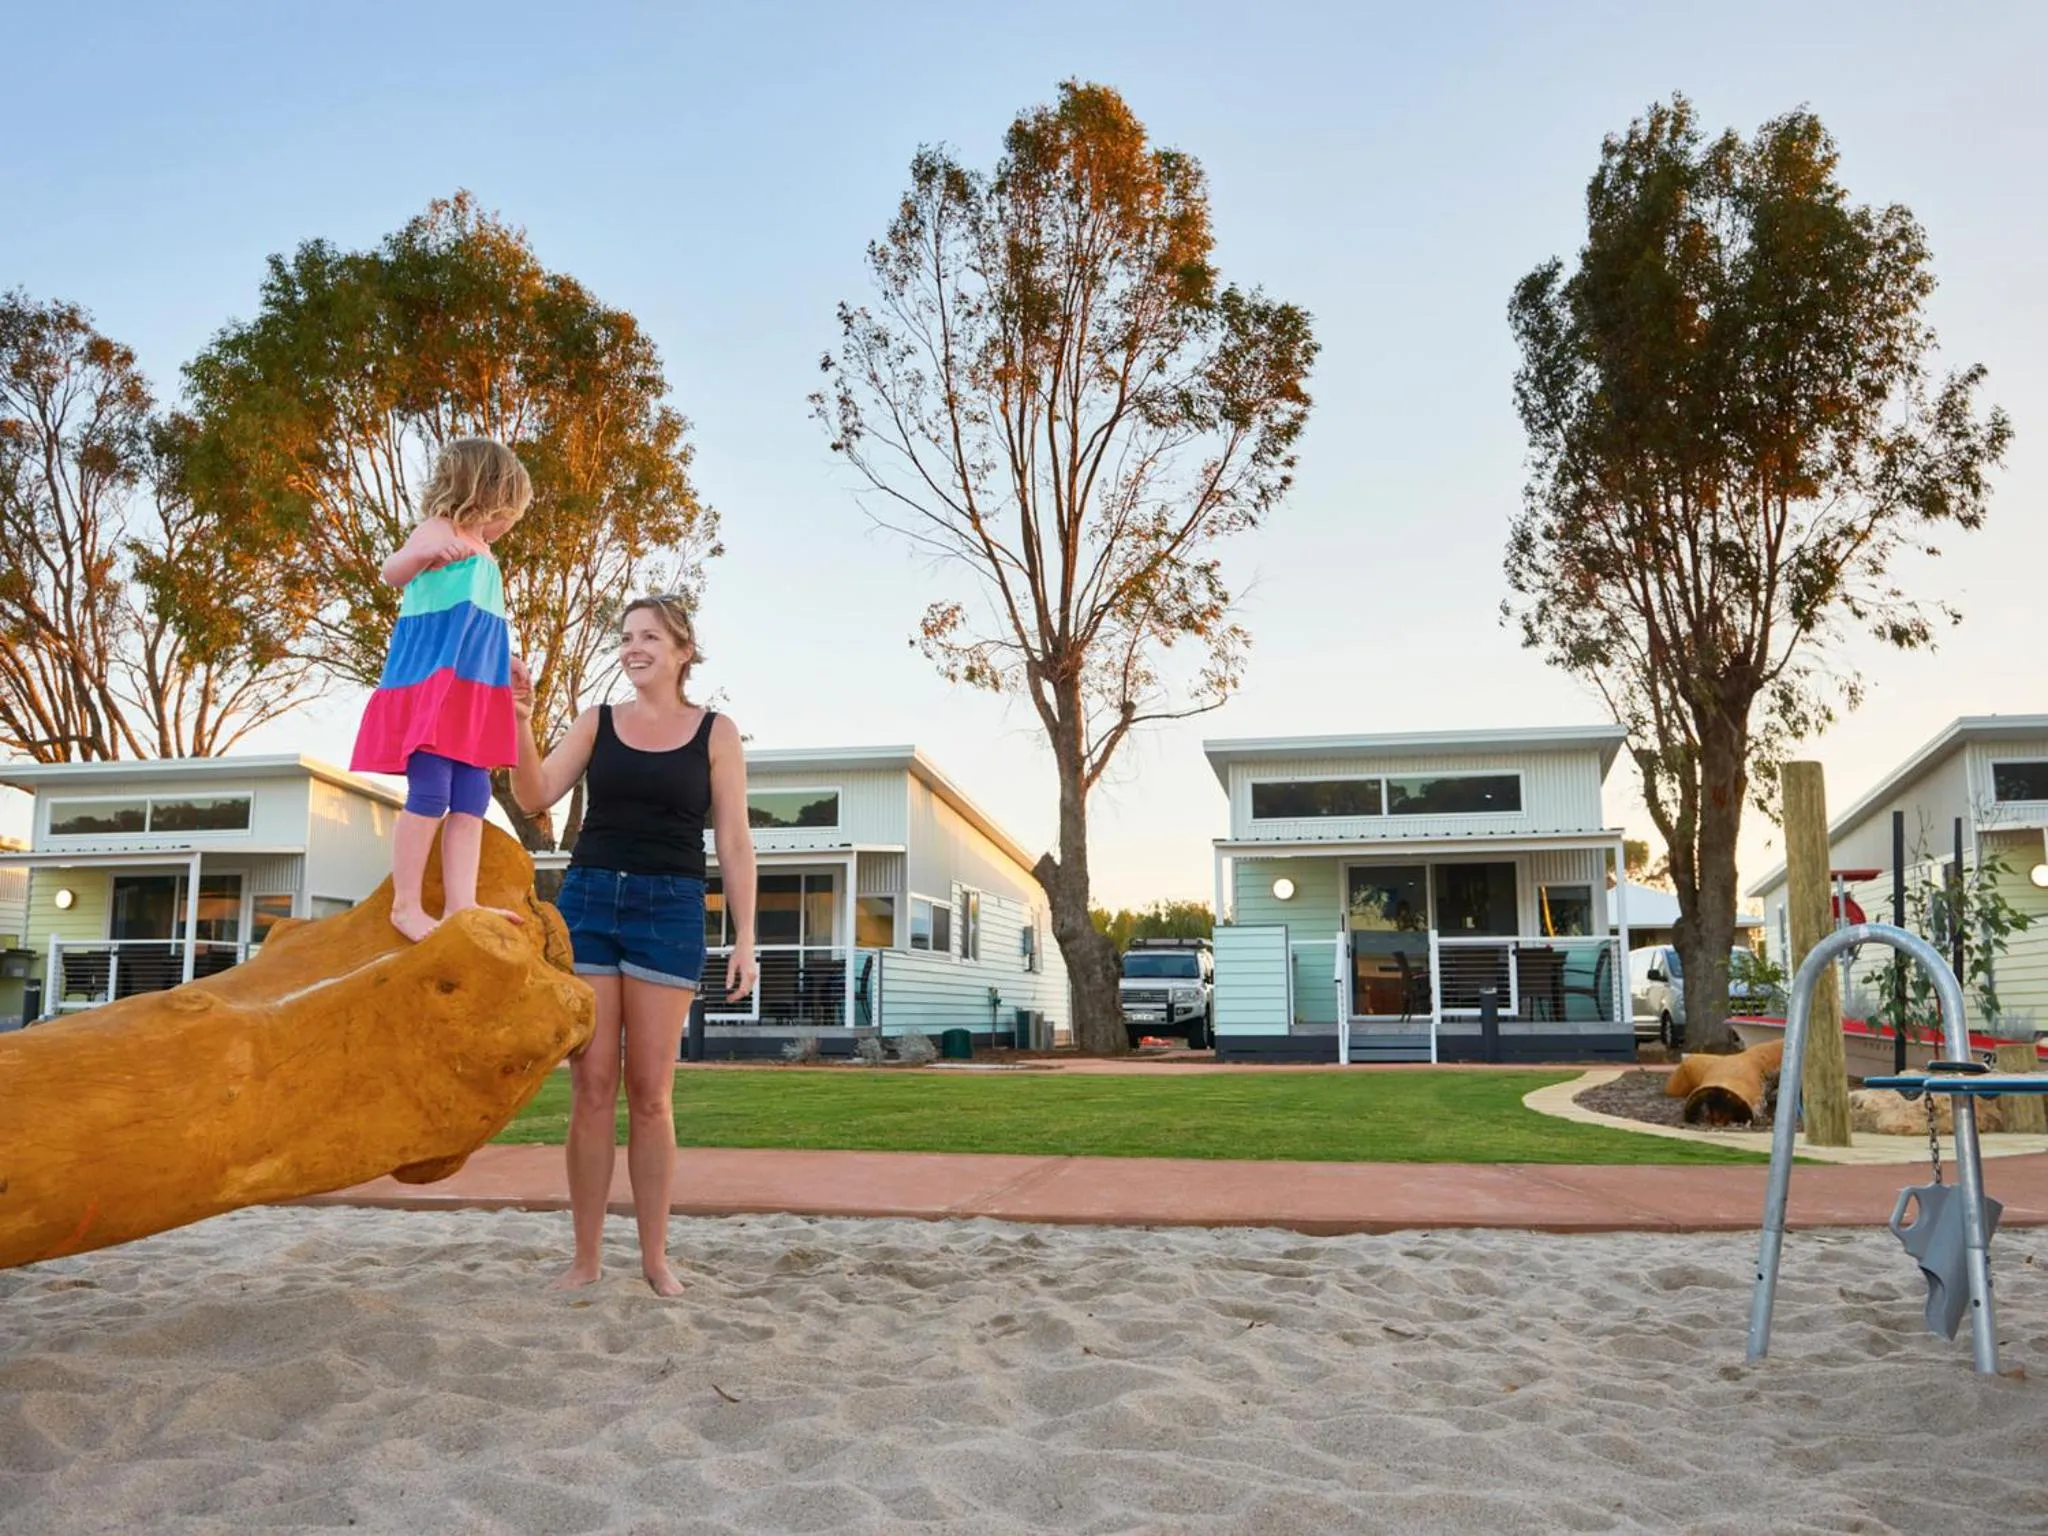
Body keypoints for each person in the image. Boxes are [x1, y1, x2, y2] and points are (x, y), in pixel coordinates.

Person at [508, 594, 757, 1295]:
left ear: (682, 649)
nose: (633, 647)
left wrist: (744, 937)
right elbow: (535, 794)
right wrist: (523, 724)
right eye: (625, 637)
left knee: (650, 1094)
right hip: (589, 902)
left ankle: (654, 1260)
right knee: (590, 1088)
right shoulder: (597, 722)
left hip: (670, 908)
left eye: (649, 636)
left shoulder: (716, 732)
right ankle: (585, 1260)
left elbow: (734, 841)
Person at [351, 438, 532, 942]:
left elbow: (479, 624)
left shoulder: (485, 554)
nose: (506, 528)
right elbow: (392, 572)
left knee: (473, 795)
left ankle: (461, 903)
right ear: (484, 495)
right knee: (430, 790)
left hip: (474, 689)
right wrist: (424, 552)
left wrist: (508, 659)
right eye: (506, 516)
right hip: (436, 685)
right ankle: (405, 905)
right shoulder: (439, 531)